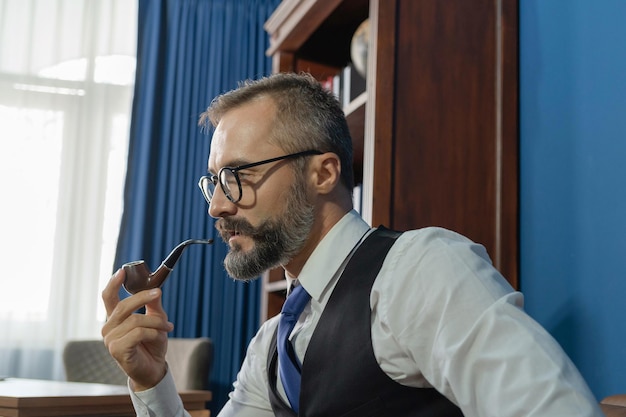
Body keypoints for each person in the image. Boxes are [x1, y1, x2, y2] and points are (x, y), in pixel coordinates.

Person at [102, 72, 604, 416]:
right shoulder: (270, 345)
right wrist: (151, 380)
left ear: (323, 173)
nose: (216, 206)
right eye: (213, 181)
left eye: (236, 175)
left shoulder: (419, 270)